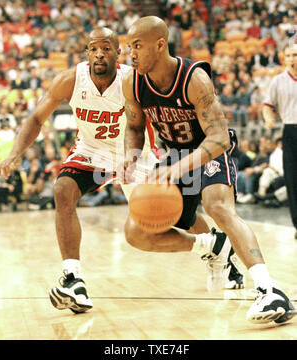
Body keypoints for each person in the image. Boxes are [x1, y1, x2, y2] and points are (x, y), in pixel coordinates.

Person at [0, 27, 241, 315]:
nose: (99, 53)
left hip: (136, 154)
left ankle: (217, 251)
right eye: (93, 48)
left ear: (118, 51)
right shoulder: (71, 80)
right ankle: (73, 278)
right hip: (92, 153)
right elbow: (37, 118)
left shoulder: (133, 79)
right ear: (86, 52)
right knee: (62, 190)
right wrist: (14, 154)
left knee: (175, 215)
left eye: (106, 48)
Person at [122, 16, 295, 324]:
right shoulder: (132, 82)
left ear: (160, 45)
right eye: (128, 47)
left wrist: (177, 170)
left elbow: (218, 136)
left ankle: (269, 289)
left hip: (209, 150)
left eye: (137, 46)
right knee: (136, 232)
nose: (130, 54)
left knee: (217, 206)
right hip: (175, 155)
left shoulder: (193, 78)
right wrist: (130, 156)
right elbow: (135, 126)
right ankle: (213, 246)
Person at [262, 44, 297, 239]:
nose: (292, 58)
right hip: (290, 130)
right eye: (289, 55)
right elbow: (267, 106)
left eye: (296, 55)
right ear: (284, 58)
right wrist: (268, 118)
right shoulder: (278, 81)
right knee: (292, 180)